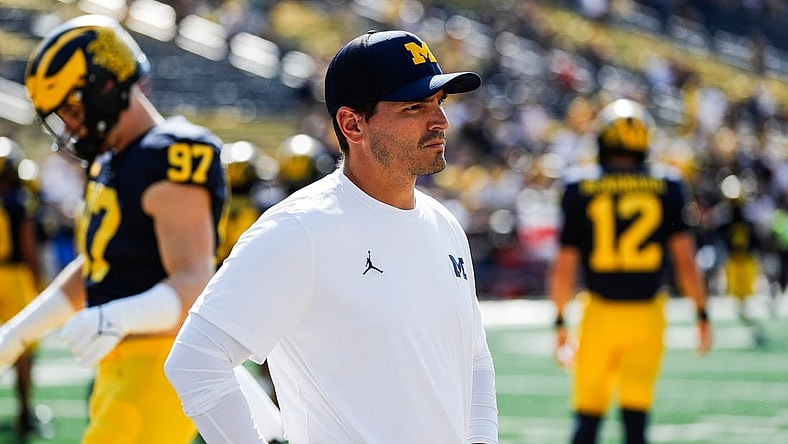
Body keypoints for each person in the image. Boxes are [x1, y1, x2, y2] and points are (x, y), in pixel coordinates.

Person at [165, 29, 499, 444]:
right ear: (352, 124)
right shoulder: (298, 229)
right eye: (415, 107)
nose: (440, 121)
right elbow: (195, 362)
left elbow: (474, 358)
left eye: (439, 102)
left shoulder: (444, 223)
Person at [0, 15, 226, 444]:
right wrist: (18, 333)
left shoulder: (172, 152)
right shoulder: (113, 160)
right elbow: (99, 265)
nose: (69, 125)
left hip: (160, 361)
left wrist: (116, 316)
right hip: (120, 364)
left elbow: (195, 283)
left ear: (105, 86)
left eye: (72, 107)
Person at [548, 98, 712, 444]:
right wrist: (701, 312)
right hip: (648, 317)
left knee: (587, 418)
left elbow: (564, 265)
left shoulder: (580, 186)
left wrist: (560, 319)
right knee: (636, 423)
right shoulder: (667, 184)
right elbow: (685, 259)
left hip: (599, 316)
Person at [0, 137, 44, 436]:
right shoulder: (19, 201)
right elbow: (29, 248)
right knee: (23, 348)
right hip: (15, 277)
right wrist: (37, 280)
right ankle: (25, 413)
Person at [716, 196, 766, 345]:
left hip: (743, 263)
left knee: (744, 300)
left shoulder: (738, 223)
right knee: (740, 301)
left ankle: (755, 326)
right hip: (737, 263)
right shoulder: (738, 223)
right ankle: (754, 326)